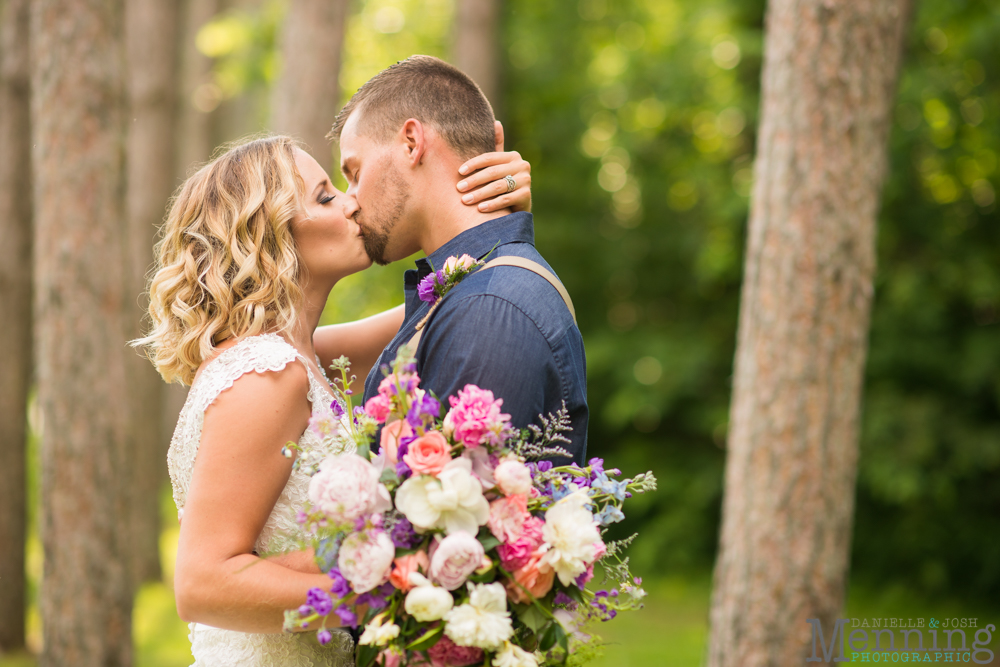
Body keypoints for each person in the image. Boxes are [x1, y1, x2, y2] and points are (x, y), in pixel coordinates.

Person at [135, 134, 532, 666]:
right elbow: (203, 584)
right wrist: (394, 592)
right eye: (325, 196)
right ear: (270, 236)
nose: (351, 202)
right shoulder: (265, 377)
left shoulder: (301, 358)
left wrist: (501, 215)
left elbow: (454, 293)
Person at [330, 55, 588, 464]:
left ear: (411, 143)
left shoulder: (488, 309)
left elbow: (454, 515)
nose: (350, 200)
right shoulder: (468, 293)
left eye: (354, 172)